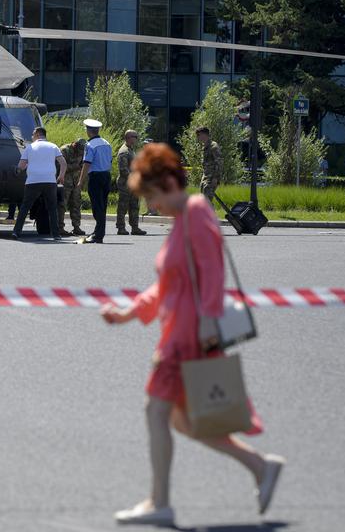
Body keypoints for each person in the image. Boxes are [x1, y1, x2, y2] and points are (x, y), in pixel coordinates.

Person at [100, 142, 285, 526]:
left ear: (168, 183)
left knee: (157, 413)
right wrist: (128, 313)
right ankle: (259, 465)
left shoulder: (198, 213)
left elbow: (213, 274)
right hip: (182, 333)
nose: (151, 206)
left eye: (151, 196)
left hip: (188, 338)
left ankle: (159, 503)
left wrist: (206, 322)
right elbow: (168, 286)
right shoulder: (184, 219)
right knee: (185, 421)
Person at [12, 126, 66, 240]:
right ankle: (56, 234)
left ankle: (16, 232)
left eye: (32, 134)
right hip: (50, 181)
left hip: (33, 181)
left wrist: (17, 170)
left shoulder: (30, 147)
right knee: (52, 208)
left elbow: (21, 166)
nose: (31, 136)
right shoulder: (53, 146)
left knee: (25, 207)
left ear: (37, 134)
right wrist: (61, 176)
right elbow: (63, 163)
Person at [78, 119, 112, 244]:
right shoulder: (106, 143)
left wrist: (80, 181)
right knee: (102, 206)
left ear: (89, 131)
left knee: (97, 206)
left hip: (96, 177)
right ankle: (98, 231)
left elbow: (87, 164)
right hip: (106, 176)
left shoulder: (90, 145)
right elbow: (109, 161)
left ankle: (99, 235)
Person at [116, 130, 146, 236]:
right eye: (135, 136)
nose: (137, 139)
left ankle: (135, 227)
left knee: (134, 205)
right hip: (125, 184)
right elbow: (123, 170)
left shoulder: (131, 150)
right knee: (123, 206)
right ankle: (121, 227)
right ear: (128, 137)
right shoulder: (124, 151)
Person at [57, 139, 86, 236]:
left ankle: (76, 227)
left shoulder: (83, 151)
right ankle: (59, 227)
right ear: (74, 145)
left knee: (76, 205)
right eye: (79, 150)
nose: (80, 153)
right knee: (62, 205)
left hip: (76, 182)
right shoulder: (64, 150)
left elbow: (83, 165)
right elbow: (60, 166)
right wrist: (76, 166)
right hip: (65, 182)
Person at [197, 127, 222, 203]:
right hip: (205, 177)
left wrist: (216, 178)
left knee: (206, 201)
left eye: (199, 135)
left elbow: (219, 163)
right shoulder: (205, 147)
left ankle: (209, 215)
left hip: (211, 178)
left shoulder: (213, 146)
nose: (198, 137)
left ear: (205, 135)